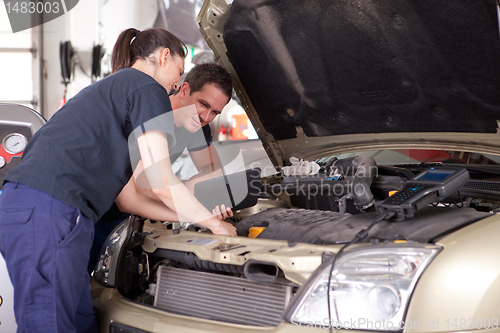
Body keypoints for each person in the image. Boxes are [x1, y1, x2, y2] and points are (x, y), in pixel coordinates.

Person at [0, 27, 235, 333]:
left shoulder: (118, 89)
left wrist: (191, 217)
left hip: (53, 211)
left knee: (82, 319)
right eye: (179, 71)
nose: (177, 83)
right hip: (49, 210)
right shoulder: (147, 88)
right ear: (164, 56)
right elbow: (161, 180)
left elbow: (131, 199)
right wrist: (213, 224)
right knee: (50, 324)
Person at [88, 63, 236, 272]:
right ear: (184, 90)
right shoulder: (150, 114)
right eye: (203, 104)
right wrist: (201, 212)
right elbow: (143, 188)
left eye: (214, 112)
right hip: (96, 213)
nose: (205, 117)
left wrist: (197, 184)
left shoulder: (196, 125)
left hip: (134, 216)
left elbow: (213, 169)